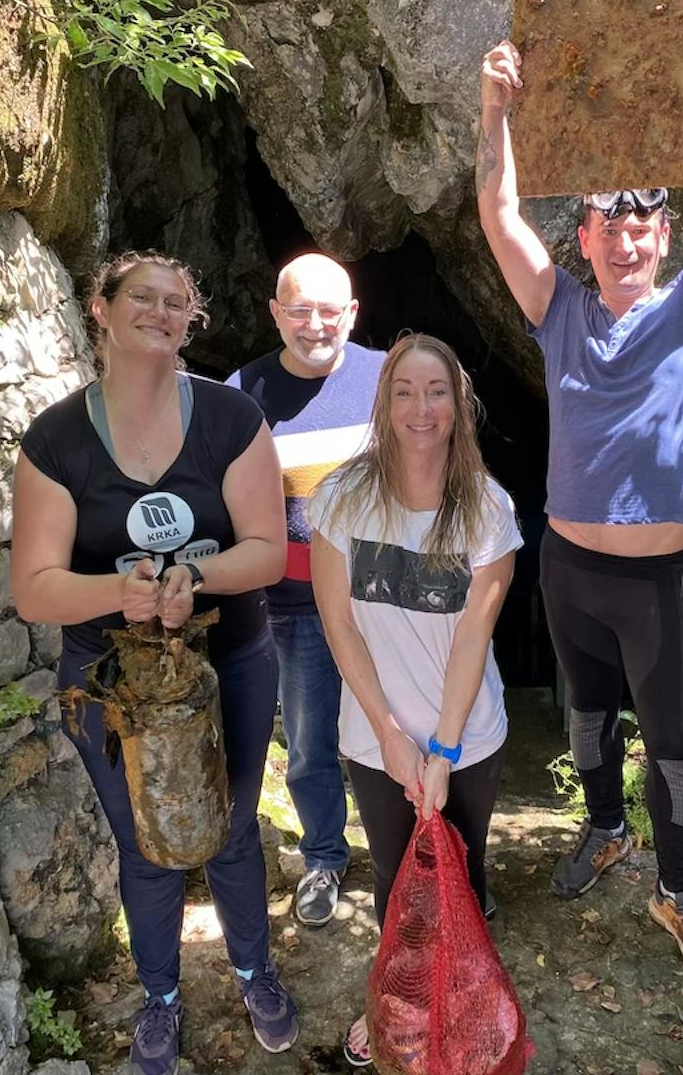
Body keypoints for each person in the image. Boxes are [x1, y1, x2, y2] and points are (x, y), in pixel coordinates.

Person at [476, 23, 683, 984]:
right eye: (606, 228)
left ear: (663, 235)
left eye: (641, 228)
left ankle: (678, 887)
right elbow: (499, 213)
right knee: (587, 720)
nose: (624, 242)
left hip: (660, 579)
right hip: (570, 570)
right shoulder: (561, 313)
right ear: (582, 238)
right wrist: (496, 107)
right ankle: (605, 831)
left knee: (674, 748)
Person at [11, 251, 300, 1073]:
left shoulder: (229, 419)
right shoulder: (58, 439)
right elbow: (34, 589)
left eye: (179, 302)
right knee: (145, 844)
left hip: (230, 659)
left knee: (234, 827)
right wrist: (119, 592)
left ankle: (255, 973)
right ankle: (161, 998)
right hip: (110, 682)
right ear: (99, 309)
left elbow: (269, 551)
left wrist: (193, 577)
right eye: (143, 296)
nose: (162, 312)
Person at [308, 334, 523, 1066]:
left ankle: (461, 1001)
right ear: (384, 402)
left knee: (463, 871)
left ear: (459, 405)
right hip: (376, 738)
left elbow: (473, 635)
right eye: (404, 391)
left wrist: (446, 749)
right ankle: (394, 1002)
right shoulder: (341, 498)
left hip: (470, 735)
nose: (420, 408)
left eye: (436, 391)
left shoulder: (489, 508)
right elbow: (338, 621)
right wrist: (393, 734)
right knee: (397, 878)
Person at [226, 254, 385, 927]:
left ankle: (407, 857)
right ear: (275, 313)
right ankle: (324, 857)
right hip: (294, 607)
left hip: (385, 601)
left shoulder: (389, 379)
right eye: (299, 310)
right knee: (313, 741)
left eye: (329, 310)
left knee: (395, 729)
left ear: (352, 312)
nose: (314, 325)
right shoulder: (245, 391)